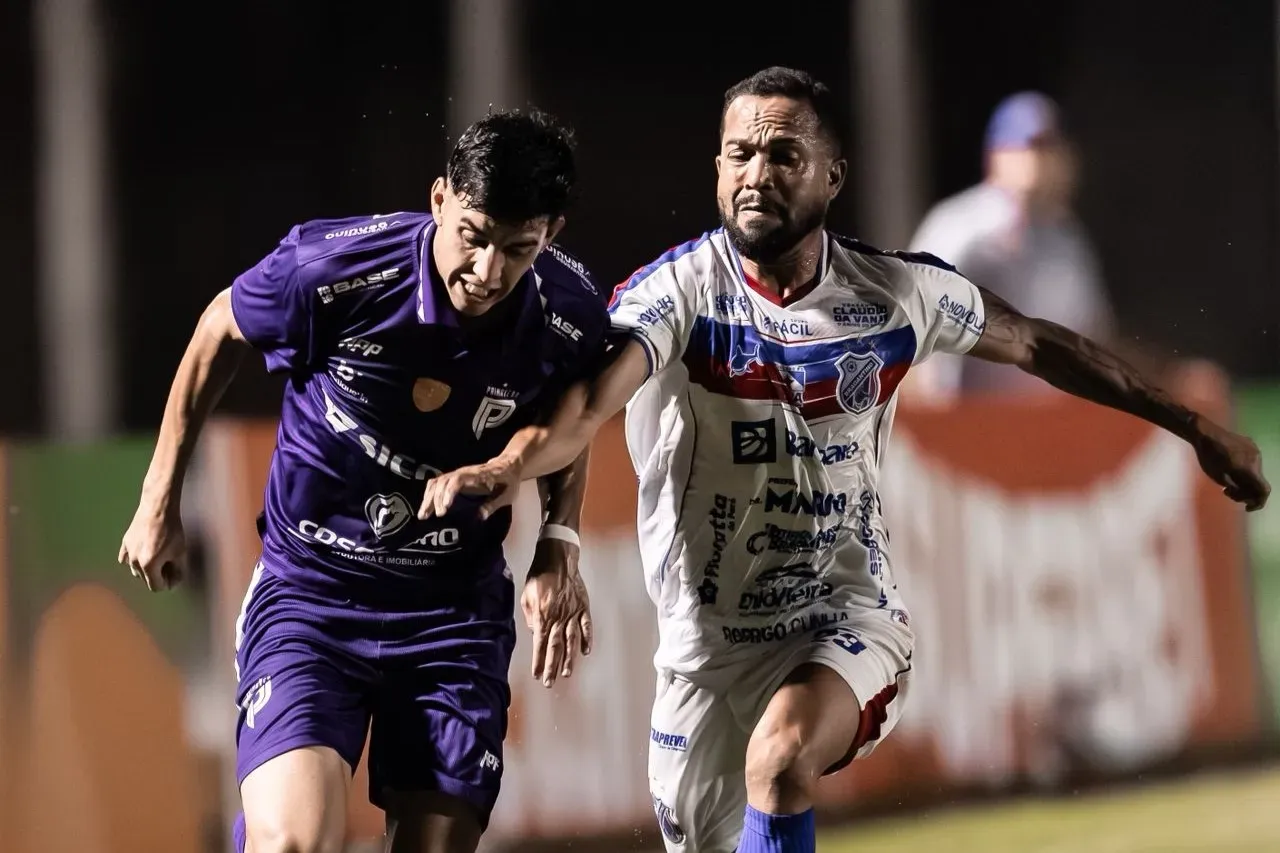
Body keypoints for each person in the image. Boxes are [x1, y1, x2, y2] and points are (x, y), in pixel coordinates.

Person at [419, 67, 1270, 853]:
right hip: (702, 652)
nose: (757, 173)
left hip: (846, 621)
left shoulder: (894, 294)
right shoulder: (672, 294)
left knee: (782, 759)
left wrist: (1192, 424)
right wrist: (515, 471)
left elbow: (1040, 342)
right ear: (717, 170)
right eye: (740, 153)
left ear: (832, 175)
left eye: (785, 154)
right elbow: (587, 405)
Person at [117, 109, 607, 853]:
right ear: (440, 199)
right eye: (472, 236)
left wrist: (558, 540)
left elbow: (575, 420)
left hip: (451, 614)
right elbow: (220, 326)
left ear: (552, 233)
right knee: (292, 844)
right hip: (310, 597)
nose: (487, 272)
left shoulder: (568, 314)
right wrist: (159, 499)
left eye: (518, 249)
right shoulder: (335, 269)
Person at [905, 91, 1114, 402]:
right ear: (997, 155)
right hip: (968, 428)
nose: (1045, 159)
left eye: (1052, 146)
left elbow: (1095, 339)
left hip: (1048, 428)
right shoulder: (960, 227)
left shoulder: (1067, 239)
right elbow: (910, 326)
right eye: (1033, 145)